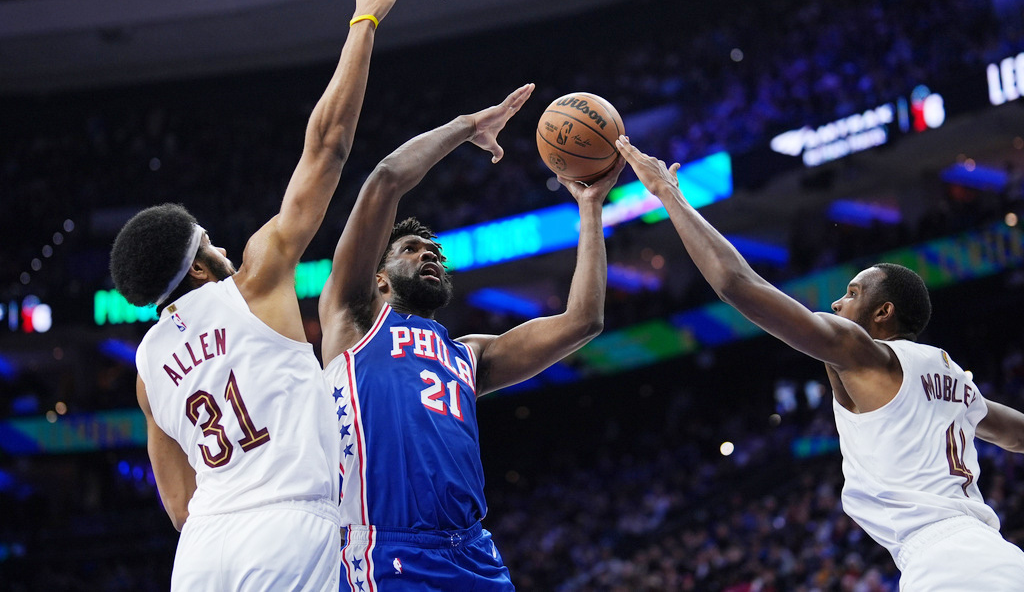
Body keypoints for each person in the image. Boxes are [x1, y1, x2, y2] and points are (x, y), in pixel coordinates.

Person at [108, 0, 417, 591]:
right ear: (197, 267)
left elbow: (176, 502)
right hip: (289, 529)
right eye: (209, 241)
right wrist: (366, 19)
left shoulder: (145, 369)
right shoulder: (255, 279)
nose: (223, 244)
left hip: (200, 552)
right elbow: (329, 147)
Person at [614, 135, 1024, 590]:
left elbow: (736, 284)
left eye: (852, 293)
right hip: (996, 554)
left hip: (948, 565)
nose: (836, 301)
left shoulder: (863, 350)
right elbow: (1018, 434)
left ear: (883, 312)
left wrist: (670, 196)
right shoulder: (955, 380)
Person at [318, 83, 624, 590]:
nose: (431, 255)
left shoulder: (469, 354)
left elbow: (583, 320)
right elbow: (386, 180)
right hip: (388, 551)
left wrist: (590, 207)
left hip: (475, 552)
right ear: (378, 277)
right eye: (413, 249)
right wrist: (466, 127)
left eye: (435, 250)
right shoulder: (352, 321)